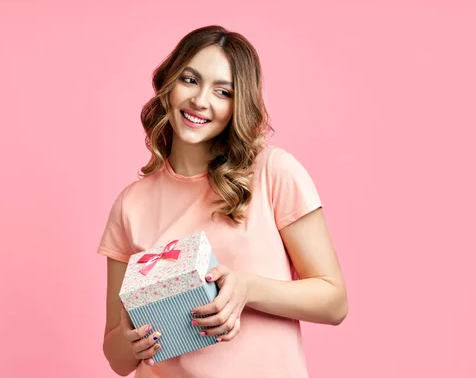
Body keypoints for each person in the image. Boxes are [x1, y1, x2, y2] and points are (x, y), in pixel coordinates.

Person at [97, 25, 348, 378]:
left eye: (222, 91)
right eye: (189, 80)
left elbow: (334, 301)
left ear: (237, 104)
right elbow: (117, 359)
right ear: (169, 85)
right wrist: (130, 340)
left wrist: (247, 288)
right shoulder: (131, 204)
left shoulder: (272, 172)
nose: (200, 100)